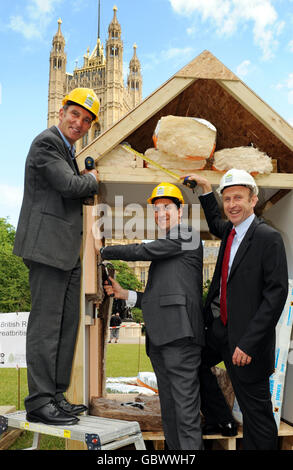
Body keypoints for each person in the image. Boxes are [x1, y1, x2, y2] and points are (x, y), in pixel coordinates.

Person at [13, 88, 100, 426]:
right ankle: (38, 401)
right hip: (47, 248)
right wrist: (91, 179)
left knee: (67, 325)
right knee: (46, 326)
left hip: (66, 250)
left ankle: (55, 395)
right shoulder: (46, 143)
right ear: (61, 111)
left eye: (86, 120)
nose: (79, 123)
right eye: (75, 114)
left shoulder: (67, 151)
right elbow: (69, 186)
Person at [184, 169, 288, 450]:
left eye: (238, 197)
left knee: (258, 416)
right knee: (190, 363)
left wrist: (249, 343)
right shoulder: (230, 231)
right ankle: (222, 419)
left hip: (246, 343)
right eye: (227, 198)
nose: (232, 204)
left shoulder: (268, 238)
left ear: (253, 200)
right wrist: (206, 189)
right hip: (219, 331)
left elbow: (276, 296)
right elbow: (216, 222)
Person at [100, 182, 204, 450]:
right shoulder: (168, 248)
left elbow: (143, 250)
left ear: (181, 211)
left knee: (185, 413)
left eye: (167, 207)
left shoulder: (186, 235)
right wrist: (126, 295)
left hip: (180, 338)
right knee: (170, 410)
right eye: (156, 210)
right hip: (161, 340)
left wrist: (105, 249)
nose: (161, 214)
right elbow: (157, 299)